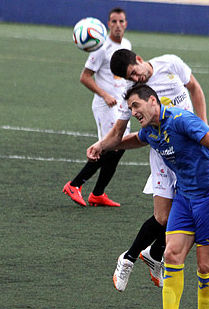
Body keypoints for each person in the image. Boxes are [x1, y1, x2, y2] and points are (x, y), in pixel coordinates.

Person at [89, 83, 209, 309]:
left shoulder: (181, 120)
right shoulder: (151, 131)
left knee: (205, 267)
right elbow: (132, 140)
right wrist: (102, 145)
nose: (133, 112)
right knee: (170, 254)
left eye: (136, 106)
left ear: (152, 101)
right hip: (184, 198)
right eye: (130, 109)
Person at [87, 48, 209, 291]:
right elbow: (120, 133)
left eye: (134, 73)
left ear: (139, 59)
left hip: (189, 152)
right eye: (130, 78)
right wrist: (101, 145)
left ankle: (155, 253)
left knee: (182, 215)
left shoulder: (171, 64)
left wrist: (202, 126)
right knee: (163, 217)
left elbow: (195, 89)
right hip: (163, 154)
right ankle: (129, 258)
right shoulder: (134, 98)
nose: (135, 79)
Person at [63, 8, 131, 207]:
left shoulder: (126, 44)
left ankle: (98, 194)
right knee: (109, 146)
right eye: (114, 21)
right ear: (108, 24)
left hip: (120, 105)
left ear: (126, 24)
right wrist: (105, 94)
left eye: (121, 21)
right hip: (104, 105)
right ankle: (74, 185)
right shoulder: (101, 47)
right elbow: (85, 77)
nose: (118, 25)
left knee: (119, 147)